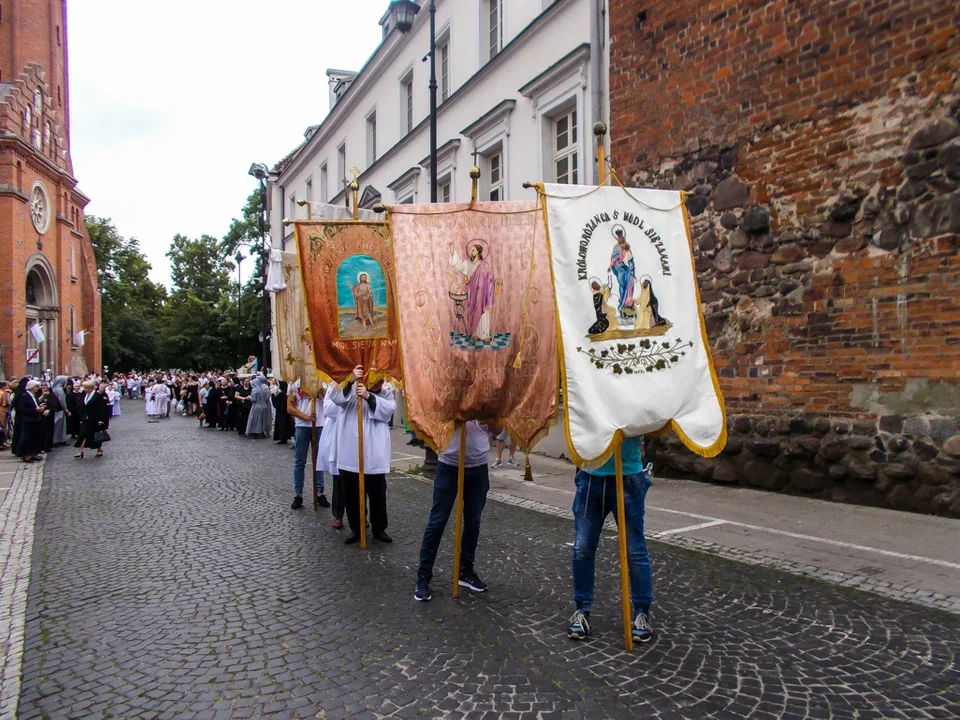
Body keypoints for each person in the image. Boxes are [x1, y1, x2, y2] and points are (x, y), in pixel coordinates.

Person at [566, 436, 654, 644]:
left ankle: (642, 613)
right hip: (590, 474)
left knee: (634, 550)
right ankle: (582, 610)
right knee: (583, 547)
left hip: (627, 475)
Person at [414, 420, 497, 602]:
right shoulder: (447, 391)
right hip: (449, 463)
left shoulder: (487, 393)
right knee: (437, 521)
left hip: (478, 465)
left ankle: (465, 570)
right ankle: (423, 576)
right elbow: (434, 420)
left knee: (473, 522)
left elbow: (497, 429)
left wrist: (490, 419)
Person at [328, 366, 395, 544]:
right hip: (350, 452)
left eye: (381, 379)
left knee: (377, 494)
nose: (380, 382)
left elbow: (388, 411)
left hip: (374, 454)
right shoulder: (350, 390)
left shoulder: (386, 393)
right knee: (352, 495)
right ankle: (356, 529)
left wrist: (369, 397)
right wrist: (349, 380)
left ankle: (379, 528)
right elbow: (335, 398)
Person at [287, 382, 329, 509]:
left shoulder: (322, 380)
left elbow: (329, 400)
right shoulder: (293, 382)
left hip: (320, 424)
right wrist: (305, 417)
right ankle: (298, 494)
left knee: (319, 461)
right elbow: (289, 407)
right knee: (300, 461)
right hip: (302, 426)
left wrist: (319, 387)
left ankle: (320, 492)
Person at [449, 242, 497, 342]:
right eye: (471, 250)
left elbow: (490, 280)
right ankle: (475, 333)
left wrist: (496, 282)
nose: (471, 252)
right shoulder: (468, 263)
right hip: (472, 292)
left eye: (473, 250)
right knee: (473, 312)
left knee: (483, 312)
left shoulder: (485, 265)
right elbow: (459, 266)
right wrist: (452, 251)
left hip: (483, 294)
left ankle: (484, 334)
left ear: (478, 252)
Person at [316, 385, 342, 527]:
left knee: (358, 480)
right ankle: (338, 514)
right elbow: (329, 409)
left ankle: (361, 515)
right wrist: (346, 405)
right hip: (336, 437)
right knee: (338, 480)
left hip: (354, 436)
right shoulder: (333, 387)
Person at [14, 380, 46, 463]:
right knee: (27, 438)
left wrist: (39, 407)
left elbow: (34, 405)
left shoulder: (33, 396)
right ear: (31, 387)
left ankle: (33, 453)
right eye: (36, 387)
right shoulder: (24, 396)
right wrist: (35, 409)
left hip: (35, 420)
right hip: (28, 420)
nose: (37, 389)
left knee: (34, 438)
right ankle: (25, 454)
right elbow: (22, 409)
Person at [75, 380, 108, 459]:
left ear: (91, 388)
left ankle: (99, 450)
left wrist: (101, 419)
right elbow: (81, 406)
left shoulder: (97, 396)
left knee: (96, 435)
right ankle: (80, 451)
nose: (84, 389)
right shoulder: (84, 395)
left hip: (95, 418)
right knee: (83, 433)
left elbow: (102, 409)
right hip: (85, 418)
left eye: (86, 388)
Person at [272, 380, 294, 444]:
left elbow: (276, 403)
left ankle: (282, 438)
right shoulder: (286, 393)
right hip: (286, 412)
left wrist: (273, 396)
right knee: (286, 426)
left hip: (281, 412)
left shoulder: (281, 394)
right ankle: (286, 437)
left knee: (281, 426)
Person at [51, 376, 69, 445]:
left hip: (56, 409)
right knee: (60, 425)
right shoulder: (60, 390)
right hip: (60, 409)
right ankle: (59, 439)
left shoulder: (54, 388)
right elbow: (62, 400)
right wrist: (65, 408)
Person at [0, 381, 11, 449]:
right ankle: (3, 442)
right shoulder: (3, 393)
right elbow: (4, 403)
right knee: (3, 426)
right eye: (7, 385)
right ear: (3, 386)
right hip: (2, 411)